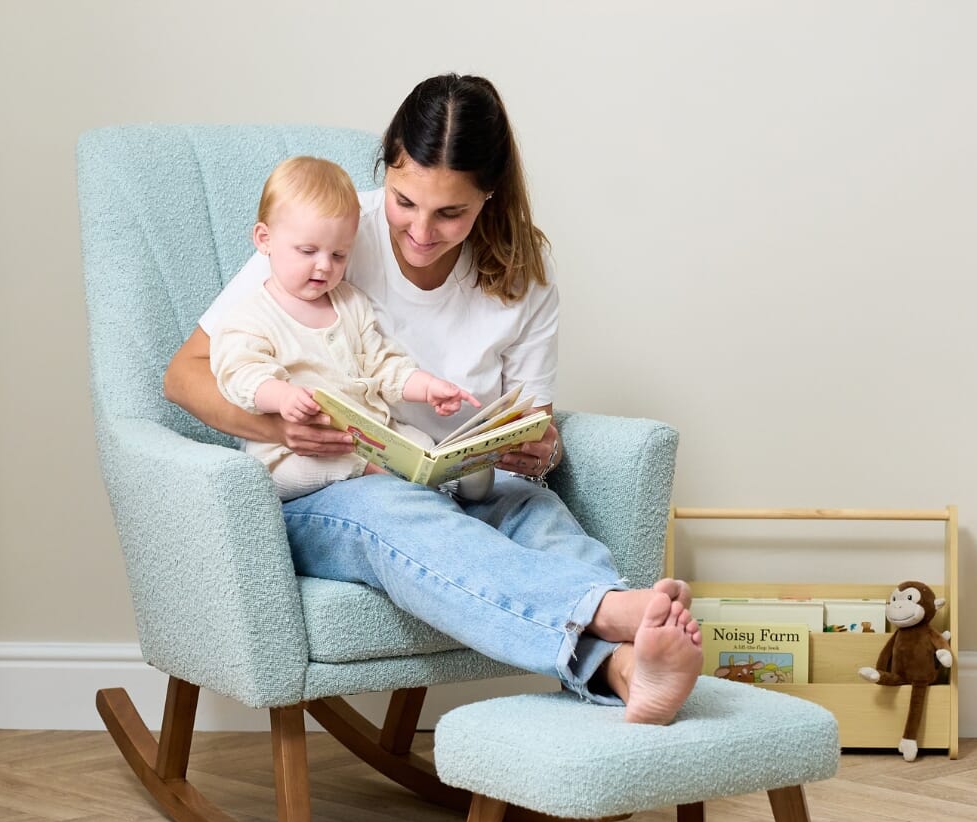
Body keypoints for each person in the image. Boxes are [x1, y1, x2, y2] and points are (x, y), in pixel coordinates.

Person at [164, 73, 702, 725]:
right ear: (386, 166)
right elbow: (186, 373)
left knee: (539, 512)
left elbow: (526, 421)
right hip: (340, 486)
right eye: (403, 200)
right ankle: (609, 606)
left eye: (450, 212)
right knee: (399, 509)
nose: (420, 231)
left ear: (489, 198)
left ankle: (623, 667)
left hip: (465, 479)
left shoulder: (522, 269)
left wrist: (537, 446)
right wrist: (280, 427)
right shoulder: (329, 235)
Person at [210, 155, 481, 501]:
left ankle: (452, 476)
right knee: (306, 466)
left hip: (370, 434)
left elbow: (383, 363)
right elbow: (238, 373)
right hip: (294, 453)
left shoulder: (350, 303)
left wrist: (426, 387)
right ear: (264, 239)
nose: (324, 266)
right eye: (307, 251)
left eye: (339, 255)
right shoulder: (250, 316)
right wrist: (281, 396)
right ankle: (389, 475)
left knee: (420, 443)